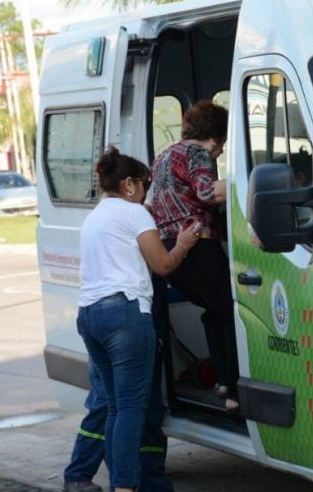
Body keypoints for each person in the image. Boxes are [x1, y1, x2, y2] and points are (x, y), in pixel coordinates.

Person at [76, 146, 200, 492]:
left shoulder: (95, 216)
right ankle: (126, 487)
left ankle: (121, 483)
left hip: (89, 315)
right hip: (125, 315)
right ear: (128, 184)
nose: (146, 193)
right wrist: (185, 243)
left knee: (115, 408)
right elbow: (162, 264)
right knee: (132, 409)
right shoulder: (135, 214)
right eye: (144, 185)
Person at [150, 99, 239, 411]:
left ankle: (222, 382)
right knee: (230, 313)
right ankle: (235, 391)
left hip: (172, 251)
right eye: (223, 144)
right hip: (199, 246)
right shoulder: (197, 152)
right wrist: (245, 180)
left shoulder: (163, 156)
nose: (222, 152)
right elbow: (207, 192)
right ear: (214, 137)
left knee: (212, 312)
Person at [62, 274, 174, 492]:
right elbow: (163, 264)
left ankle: (151, 480)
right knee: (109, 404)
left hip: (125, 320)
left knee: (144, 409)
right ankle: (79, 474)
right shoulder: (134, 240)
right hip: (122, 323)